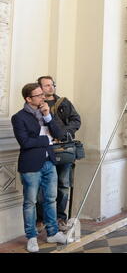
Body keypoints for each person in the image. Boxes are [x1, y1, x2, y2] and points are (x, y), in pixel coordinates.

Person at [11, 83, 68, 252]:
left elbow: (59, 135)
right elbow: (25, 142)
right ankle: (31, 237)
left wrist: (48, 116)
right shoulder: (19, 117)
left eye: (43, 94)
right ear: (28, 99)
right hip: (30, 165)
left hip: (49, 162)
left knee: (51, 199)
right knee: (30, 202)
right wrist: (47, 140)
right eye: (39, 95)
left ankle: (52, 233)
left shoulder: (46, 112)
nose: (43, 97)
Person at [36, 76, 81, 232]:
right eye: (47, 85)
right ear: (39, 88)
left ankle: (61, 218)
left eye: (52, 85)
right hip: (43, 150)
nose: (51, 87)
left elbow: (76, 120)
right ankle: (41, 219)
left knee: (63, 184)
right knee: (42, 186)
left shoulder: (63, 102)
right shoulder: (35, 105)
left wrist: (62, 134)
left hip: (63, 149)